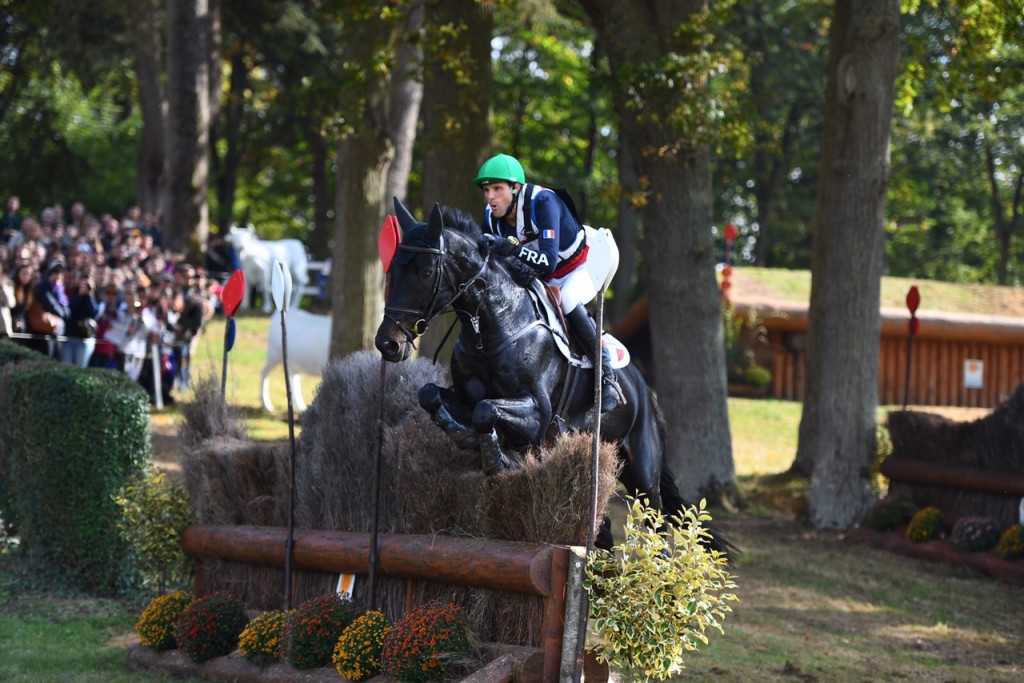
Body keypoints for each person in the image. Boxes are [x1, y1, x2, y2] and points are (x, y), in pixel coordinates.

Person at [472, 153, 624, 411]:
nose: (491, 197)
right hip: (542, 274)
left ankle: (607, 377)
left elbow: (548, 261)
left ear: (516, 187)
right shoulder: (490, 217)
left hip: (584, 263)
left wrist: (510, 248)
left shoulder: (543, 202)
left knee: (568, 299)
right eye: (487, 190)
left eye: (497, 189)